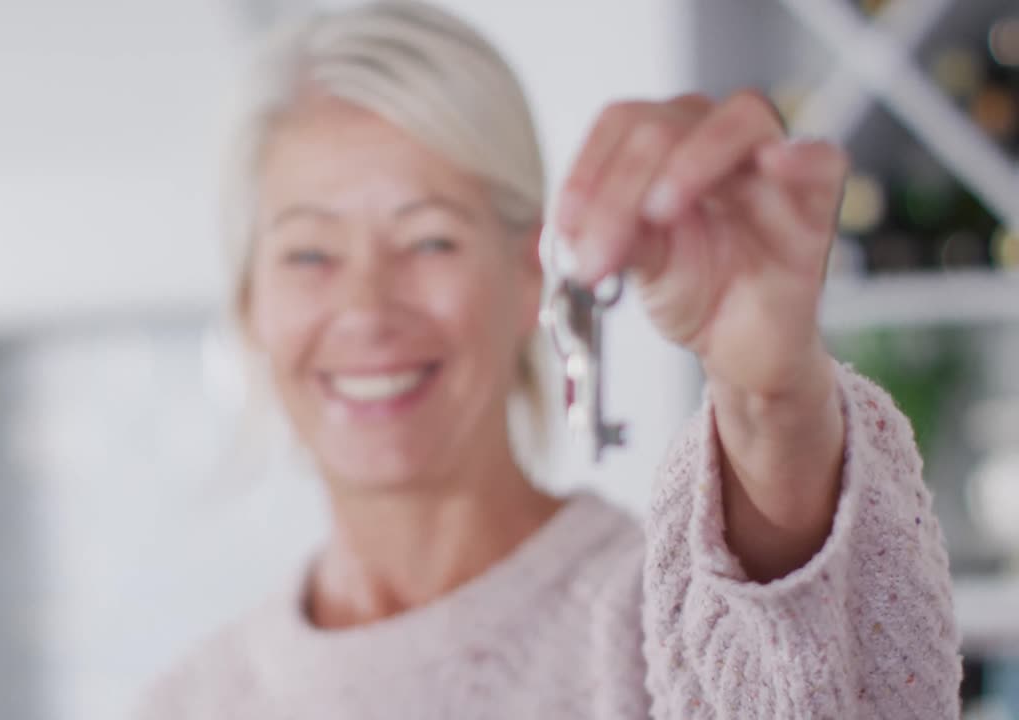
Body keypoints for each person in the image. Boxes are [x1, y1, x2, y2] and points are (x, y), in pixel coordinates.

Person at [141, 1, 962, 717]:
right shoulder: (188, 704)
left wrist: (769, 395)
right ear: (251, 301)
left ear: (531, 267)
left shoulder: (664, 637)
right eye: (309, 254)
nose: (367, 310)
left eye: (430, 239)